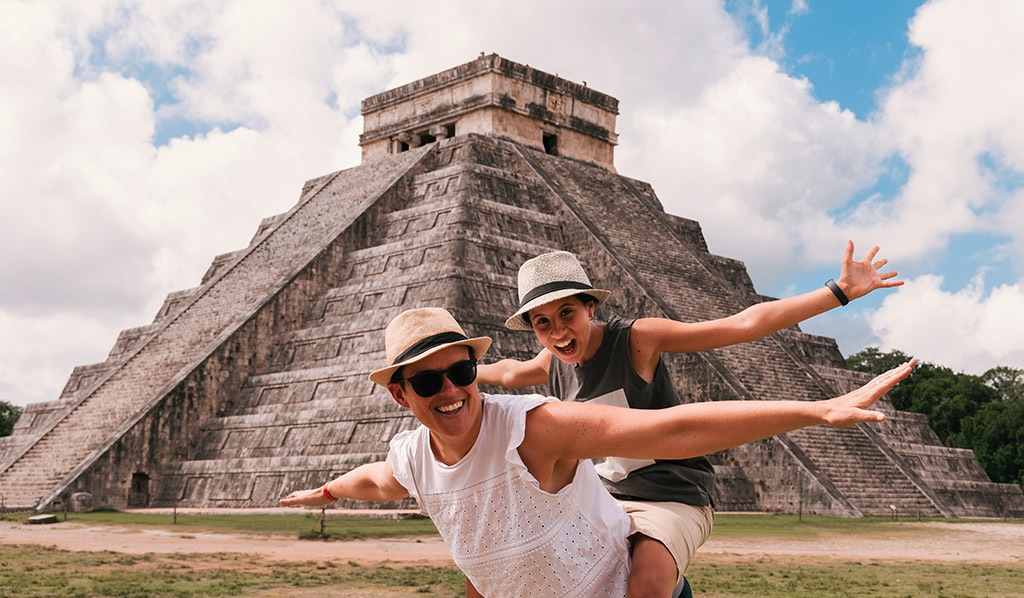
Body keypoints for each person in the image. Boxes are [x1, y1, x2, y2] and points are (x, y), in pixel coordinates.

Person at [280, 306, 914, 598]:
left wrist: (814, 410)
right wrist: (330, 490)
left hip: (636, 543)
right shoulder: (416, 454)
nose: (449, 389)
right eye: (425, 381)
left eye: (463, 371)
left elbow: (673, 431)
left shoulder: (539, 426)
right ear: (400, 395)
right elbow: (381, 479)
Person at [477, 242, 902, 597]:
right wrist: (444, 372)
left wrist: (838, 291)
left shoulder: (636, 340)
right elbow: (503, 372)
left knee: (645, 585)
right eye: (542, 323)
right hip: (602, 501)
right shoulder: (549, 364)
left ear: (590, 306)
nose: (558, 333)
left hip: (670, 496)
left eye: (567, 313)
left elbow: (741, 325)